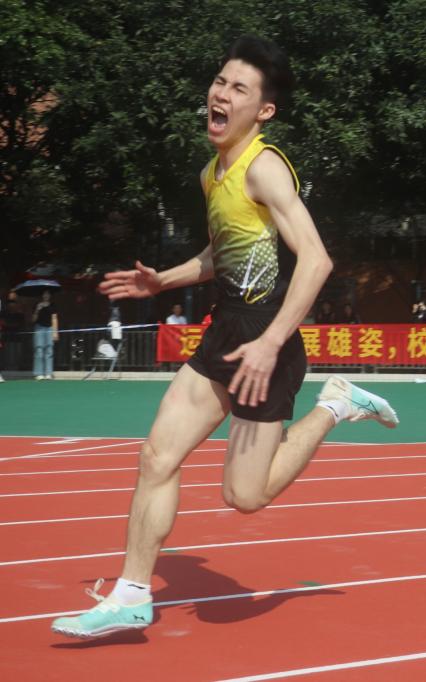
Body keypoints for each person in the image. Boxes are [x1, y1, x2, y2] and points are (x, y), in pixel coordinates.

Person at [51, 36, 399, 640]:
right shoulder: (213, 173)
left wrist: (270, 343)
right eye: (220, 81)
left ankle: (337, 405)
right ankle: (132, 595)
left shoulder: (265, 166)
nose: (221, 94)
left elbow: (316, 260)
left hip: (267, 343)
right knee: (157, 456)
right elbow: (222, 252)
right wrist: (162, 281)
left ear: (263, 110)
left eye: (239, 88)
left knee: (244, 496)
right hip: (223, 334)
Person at [33, 290, 59, 380]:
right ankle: (38, 373)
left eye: (48, 293)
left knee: (49, 350)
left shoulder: (52, 305)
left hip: (49, 328)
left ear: (50, 295)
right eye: (44, 293)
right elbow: (33, 319)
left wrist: (55, 332)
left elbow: (54, 318)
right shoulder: (37, 304)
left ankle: (48, 373)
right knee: (39, 350)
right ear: (42, 295)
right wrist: (37, 309)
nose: (46, 295)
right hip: (39, 328)